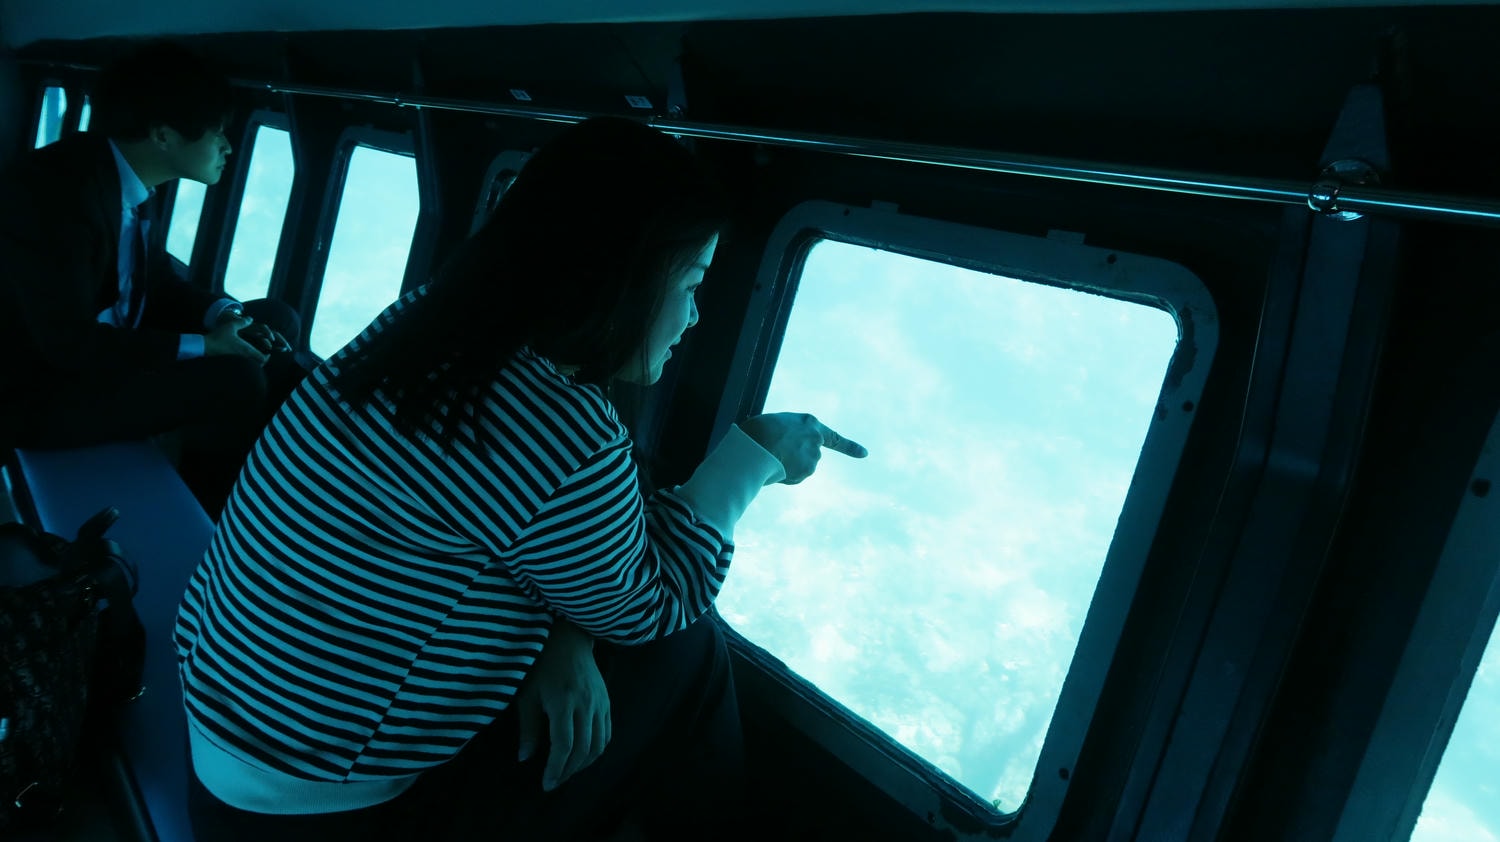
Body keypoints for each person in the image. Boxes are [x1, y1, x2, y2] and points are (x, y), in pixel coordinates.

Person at [174, 116, 866, 841]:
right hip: (310, 815)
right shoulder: (558, 428)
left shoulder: (423, 329)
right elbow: (655, 602)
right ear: (623, 276)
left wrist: (567, 638)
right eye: (692, 282)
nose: (694, 316)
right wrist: (754, 454)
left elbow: (521, 542)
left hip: (227, 742)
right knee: (683, 652)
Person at [0, 41, 302, 515]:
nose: (227, 146)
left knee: (274, 321)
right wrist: (207, 347)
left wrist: (226, 315)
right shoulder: (53, 198)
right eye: (216, 131)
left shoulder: (121, 179)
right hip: (40, 393)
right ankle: (226, 512)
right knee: (238, 378)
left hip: (103, 354)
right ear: (163, 135)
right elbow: (65, 345)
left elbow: (153, 280)